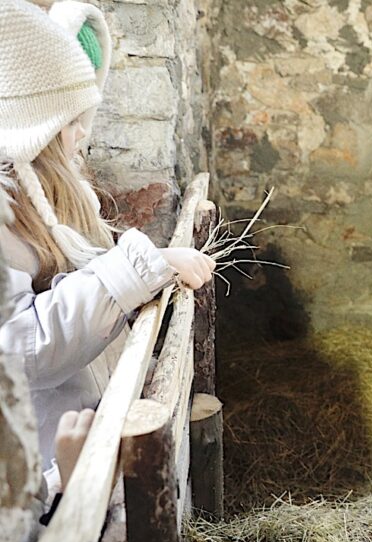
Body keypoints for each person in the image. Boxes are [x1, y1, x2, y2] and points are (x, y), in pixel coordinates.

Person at [0, 0, 215, 508]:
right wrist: (137, 269)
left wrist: (145, 265)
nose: (83, 137)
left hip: (65, 433)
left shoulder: (43, 192)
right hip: (32, 469)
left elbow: (75, 268)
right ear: (31, 123)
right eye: (72, 123)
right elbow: (19, 348)